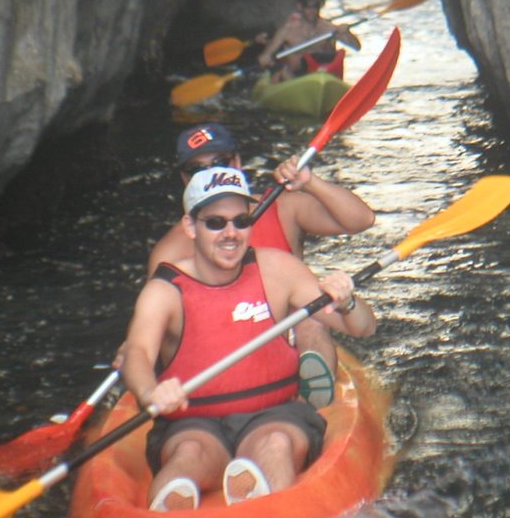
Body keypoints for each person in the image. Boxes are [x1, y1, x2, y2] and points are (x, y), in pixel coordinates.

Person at [122, 166, 376, 511]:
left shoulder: (278, 270)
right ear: (190, 227)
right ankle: (176, 501)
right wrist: (151, 391)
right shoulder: (164, 290)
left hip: (275, 414)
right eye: (216, 222)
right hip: (193, 423)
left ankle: (260, 494)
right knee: (187, 457)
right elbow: (137, 352)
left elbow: (363, 327)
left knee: (274, 445)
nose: (231, 233)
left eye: (241, 221)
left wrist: (347, 302)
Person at [145, 122, 375, 405]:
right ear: (185, 179)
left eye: (220, 162)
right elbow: (163, 330)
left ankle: (311, 410)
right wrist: (140, 356)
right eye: (196, 169)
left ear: (237, 162)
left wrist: (310, 183)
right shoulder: (169, 251)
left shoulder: (284, 207)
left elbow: (361, 220)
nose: (211, 172)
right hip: (219, 344)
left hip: (287, 330)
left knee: (310, 320)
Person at [257, 0, 361, 83]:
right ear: (300, 6)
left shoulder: (329, 29)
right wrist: (269, 62)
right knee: (281, 72)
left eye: (316, 6)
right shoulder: (287, 30)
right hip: (296, 78)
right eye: (308, 6)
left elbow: (357, 47)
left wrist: (347, 33)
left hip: (325, 76)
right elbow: (264, 58)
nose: (312, 11)